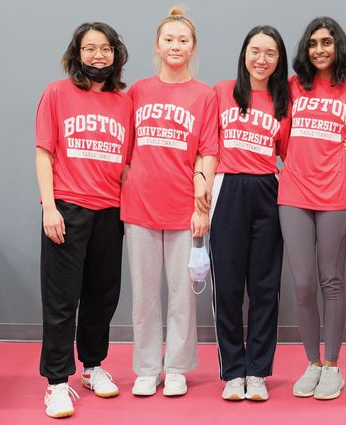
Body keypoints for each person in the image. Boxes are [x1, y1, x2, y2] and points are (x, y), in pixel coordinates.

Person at [35, 22, 132, 418]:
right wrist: (49, 206)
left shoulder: (124, 102)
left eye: (105, 48)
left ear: (115, 54)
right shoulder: (56, 93)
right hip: (68, 208)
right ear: (77, 54)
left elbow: (127, 164)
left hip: (111, 210)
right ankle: (57, 382)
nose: (98, 56)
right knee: (61, 302)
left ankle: (93, 367)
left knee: (102, 296)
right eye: (90, 48)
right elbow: (44, 152)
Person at [120, 7, 217, 397]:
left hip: (183, 210)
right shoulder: (138, 91)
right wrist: (135, 184)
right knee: (144, 295)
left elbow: (208, 152)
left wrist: (202, 207)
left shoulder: (204, 94)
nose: (175, 46)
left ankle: (176, 366)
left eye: (183, 40)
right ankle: (146, 367)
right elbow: (125, 151)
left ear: (193, 47)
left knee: (182, 296)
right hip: (140, 208)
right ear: (158, 46)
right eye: (169, 39)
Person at [277, 16, 346, 400]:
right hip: (294, 194)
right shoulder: (292, 87)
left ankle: (332, 367)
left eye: (327, 42)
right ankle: (311, 363)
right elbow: (280, 141)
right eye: (313, 42)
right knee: (301, 284)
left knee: (330, 279)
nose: (320, 49)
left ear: (338, 46)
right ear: (306, 48)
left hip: (336, 196)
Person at [210, 25, 290, 402]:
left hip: (267, 189)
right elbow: (206, 148)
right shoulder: (222, 92)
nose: (262, 59)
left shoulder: (283, 101)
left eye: (270, 53)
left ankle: (257, 370)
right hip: (228, 189)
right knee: (227, 285)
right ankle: (232, 371)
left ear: (279, 60)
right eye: (255, 50)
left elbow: (291, 153)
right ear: (244, 53)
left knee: (264, 286)